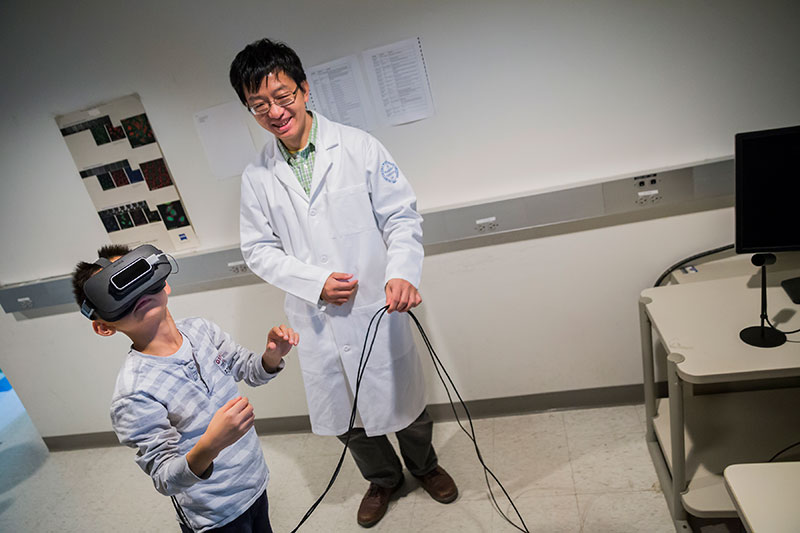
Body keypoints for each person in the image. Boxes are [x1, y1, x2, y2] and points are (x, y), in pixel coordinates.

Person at [230, 38, 458, 528]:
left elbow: (400, 217)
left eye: (283, 95)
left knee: (409, 406)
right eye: (259, 104)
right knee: (347, 418)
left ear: (305, 89)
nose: (275, 111)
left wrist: (401, 274)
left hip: (378, 305)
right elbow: (257, 250)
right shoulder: (256, 177)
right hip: (316, 322)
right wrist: (314, 282)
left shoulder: (358, 147)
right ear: (250, 109)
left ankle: (425, 466)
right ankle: (384, 480)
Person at [71, 244, 298, 533]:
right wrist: (212, 444)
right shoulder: (134, 393)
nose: (137, 294)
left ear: (163, 283)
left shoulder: (202, 331)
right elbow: (166, 478)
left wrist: (272, 356)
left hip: (253, 480)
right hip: (214, 513)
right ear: (104, 326)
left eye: (138, 278)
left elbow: (249, 371)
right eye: (119, 293)